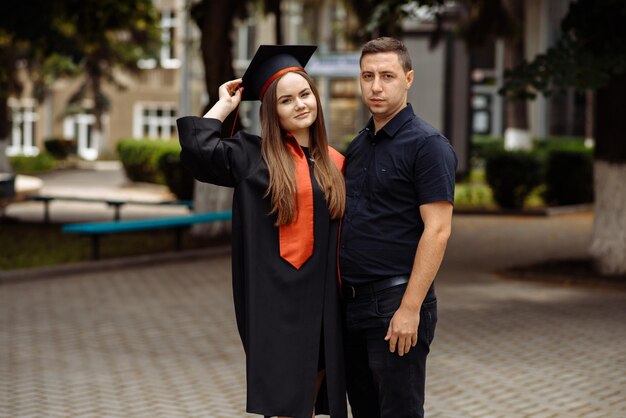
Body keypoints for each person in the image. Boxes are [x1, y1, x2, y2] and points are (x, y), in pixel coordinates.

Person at [176, 45, 347, 418]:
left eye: (304, 94)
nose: (300, 105)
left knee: (312, 395)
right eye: (286, 101)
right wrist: (224, 106)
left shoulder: (336, 162)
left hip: (323, 306)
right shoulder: (252, 156)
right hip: (274, 307)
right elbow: (197, 148)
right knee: (282, 404)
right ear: (272, 111)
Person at [339, 37, 458, 418]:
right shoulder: (358, 145)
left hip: (396, 306)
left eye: (387, 76)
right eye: (367, 76)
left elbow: (438, 230)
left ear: (408, 79)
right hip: (352, 306)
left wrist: (410, 309)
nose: (376, 86)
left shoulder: (427, 146)